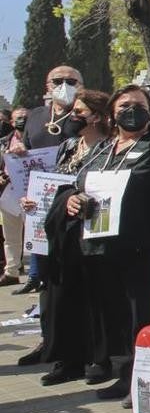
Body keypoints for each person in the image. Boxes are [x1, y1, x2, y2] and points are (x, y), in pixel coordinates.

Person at [68, 86, 150, 403]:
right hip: (102, 247)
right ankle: (124, 376)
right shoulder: (103, 149)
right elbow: (79, 182)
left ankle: (145, 382)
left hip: (141, 247)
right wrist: (73, 199)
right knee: (118, 317)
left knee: (142, 315)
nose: (131, 110)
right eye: (124, 105)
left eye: (139, 105)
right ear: (112, 112)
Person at [30, 90, 115, 385]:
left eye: (79, 112)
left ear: (99, 116)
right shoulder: (67, 146)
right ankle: (68, 359)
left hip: (90, 229)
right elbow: (54, 183)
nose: (72, 118)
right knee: (60, 296)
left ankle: (98, 358)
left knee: (92, 296)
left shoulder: (109, 148)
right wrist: (35, 202)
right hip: (61, 233)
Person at [17, 67, 88, 294]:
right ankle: (38, 280)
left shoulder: (86, 115)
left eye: (71, 80)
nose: (64, 85)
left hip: (74, 189)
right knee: (41, 241)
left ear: (81, 85)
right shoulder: (36, 115)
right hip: (41, 191)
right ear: (47, 85)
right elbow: (27, 149)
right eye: (57, 80)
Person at [2, 107, 31, 291]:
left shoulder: (35, 139)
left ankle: (37, 274)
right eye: (18, 118)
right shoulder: (4, 143)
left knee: (34, 235)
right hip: (9, 194)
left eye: (25, 117)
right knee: (10, 236)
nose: (22, 120)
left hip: (31, 193)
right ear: (12, 122)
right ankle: (11, 271)